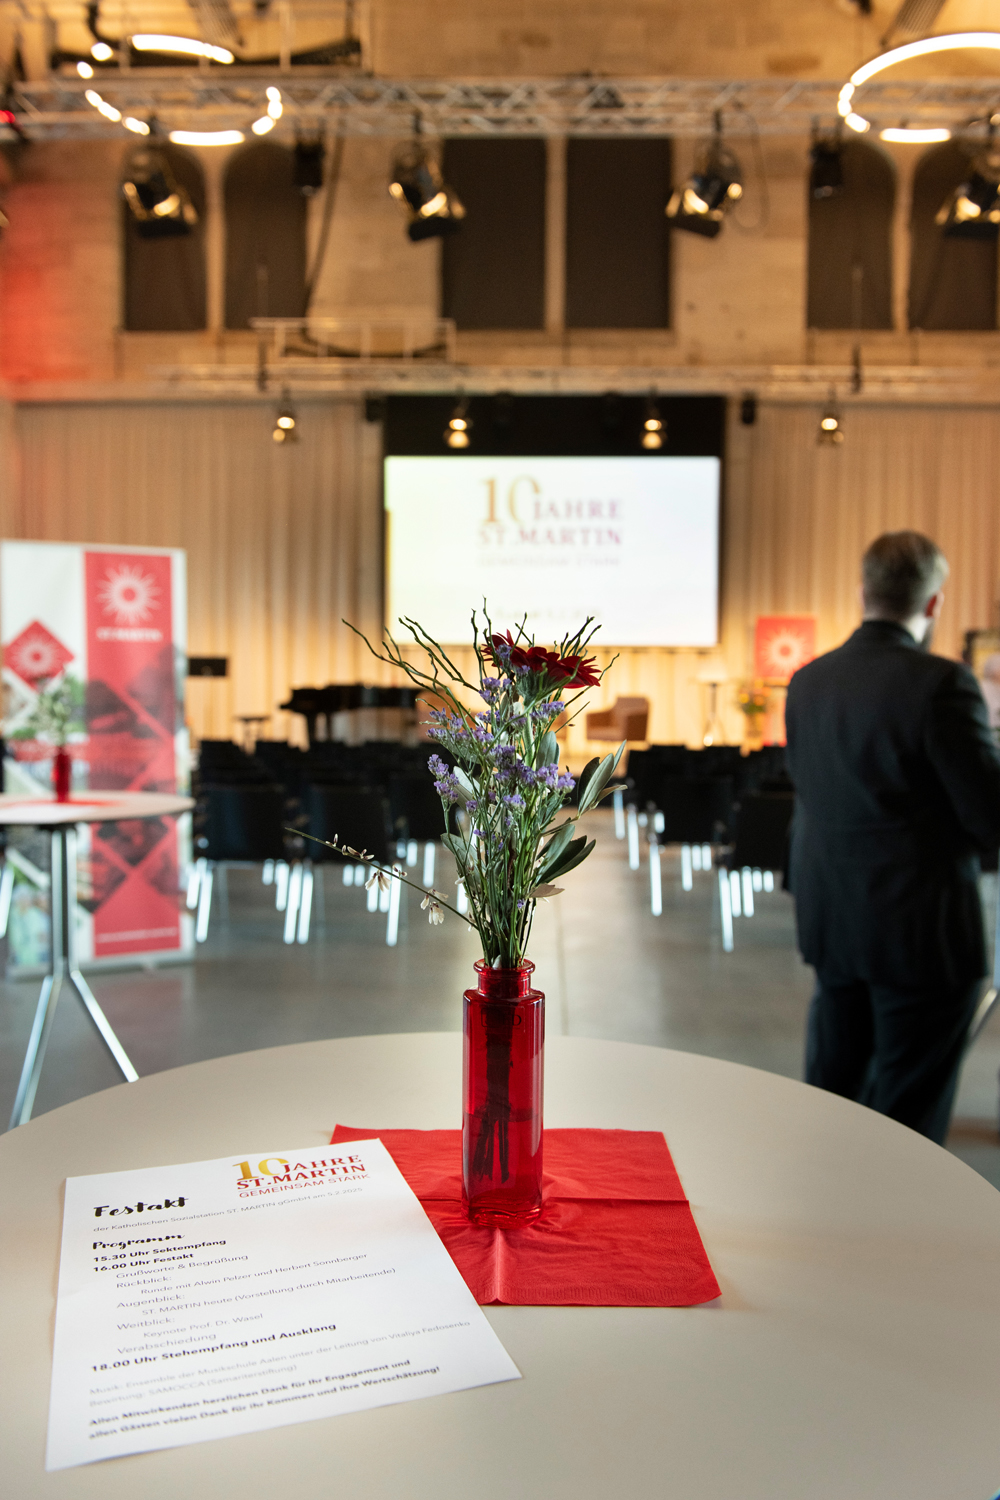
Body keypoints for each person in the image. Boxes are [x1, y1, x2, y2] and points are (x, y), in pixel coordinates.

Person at [784, 531, 1000, 1144]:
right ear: (933, 603)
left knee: (833, 1094)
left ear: (863, 592)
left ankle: (824, 1193)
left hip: (832, 918)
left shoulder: (808, 680)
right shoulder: (943, 684)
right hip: (919, 930)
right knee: (907, 1118)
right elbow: (989, 816)